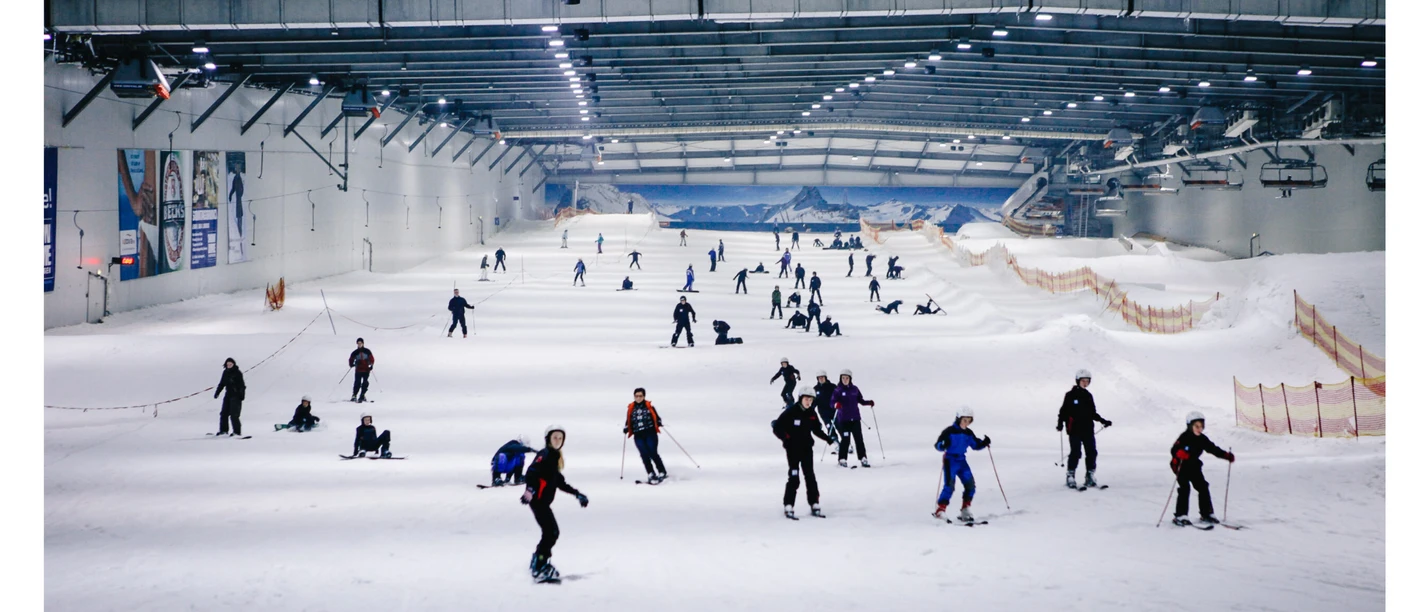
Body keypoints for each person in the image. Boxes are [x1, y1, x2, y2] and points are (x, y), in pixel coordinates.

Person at [521, 425, 589, 582]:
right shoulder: (545, 455)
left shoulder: (554, 456)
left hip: (542, 501)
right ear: (548, 439)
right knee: (551, 533)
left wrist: (577, 494)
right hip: (538, 501)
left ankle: (538, 561)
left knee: (551, 532)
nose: (557, 440)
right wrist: (530, 490)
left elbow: (559, 481)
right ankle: (539, 565)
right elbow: (532, 472)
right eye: (554, 437)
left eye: (560, 438)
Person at [772, 384, 834, 519]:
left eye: (811, 400)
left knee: (810, 476)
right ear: (800, 398)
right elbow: (777, 427)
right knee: (794, 477)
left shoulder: (812, 413)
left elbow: (817, 429)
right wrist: (786, 438)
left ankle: (814, 504)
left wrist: (828, 439)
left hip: (807, 449)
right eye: (806, 399)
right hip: (793, 450)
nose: (808, 402)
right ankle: (788, 505)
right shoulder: (791, 411)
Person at [1170, 411, 1234, 526]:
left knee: (1203, 487)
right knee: (1185, 488)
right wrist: (1179, 453)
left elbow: (1213, 449)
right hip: (1181, 466)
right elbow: (1174, 449)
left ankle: (1207, 513)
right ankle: (1181, 515)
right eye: (1196, 426)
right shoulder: (1184, 437)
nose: (1199, 429)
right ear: (1190, 426)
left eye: (1201, 426)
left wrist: (1226, 455)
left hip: (1194, 466)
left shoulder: (1202, 439)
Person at [1057, 369, 1112, 489]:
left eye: (1087, 381)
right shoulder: (1070, 395)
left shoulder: (1088, 396)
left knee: (1092, 452)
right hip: (1074, 430)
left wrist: (1103, 421)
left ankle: (1090, 475)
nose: (1085, 383)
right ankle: (1070, 475)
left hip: (1088, 429)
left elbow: (1093, 413)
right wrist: (1060, 423)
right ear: (1078, 381)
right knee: (1076, 452)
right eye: (1083, 381)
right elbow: (1063, 411)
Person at [934, 407, 990, 522]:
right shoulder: (949, 431)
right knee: (949, 486)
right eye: (964, 420)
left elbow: (975, 444)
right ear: (959, 419)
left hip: (962, 461)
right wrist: (944, 444)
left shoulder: (968, 433)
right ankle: (940, 510)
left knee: (970, 486)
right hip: (950, 461)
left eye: (969, 420)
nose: (966, 423)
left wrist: (984, 443)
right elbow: (938, 445)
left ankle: (965, 509)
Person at [623, 388, 668, 483]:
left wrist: (659, 422)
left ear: (644, 396)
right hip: (638, 435)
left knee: (653, 452)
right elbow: (628, 422)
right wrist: (626, 428)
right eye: (636, 396)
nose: (638, 398)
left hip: (650, 433)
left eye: (640, 396)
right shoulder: (631, 409)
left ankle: (662, 471)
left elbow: (657, 417)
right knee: (644, 454)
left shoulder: (649, 407)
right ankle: (650, 473)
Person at [832, 369, 873, 467]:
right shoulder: (838, 390)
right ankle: (842, 459)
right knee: (845, 439)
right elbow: (832, 402)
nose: (845, 380)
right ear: (840, 379)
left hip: (855, 419)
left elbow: (860, 400)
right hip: (844, 419)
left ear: (850, 379)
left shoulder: (855, 389)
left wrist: (869, 402)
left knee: (859, 439)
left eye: (847, 378)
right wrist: (836, 404)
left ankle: (863, 458)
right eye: (843, 378)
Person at [214, 357, 246, 436]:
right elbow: (222, 384)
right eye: (227, 364)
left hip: (236, 396)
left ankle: (237, 432)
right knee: (224, 413)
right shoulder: (225, 372)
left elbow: (242, 385)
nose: (229, 365)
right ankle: (223, 430)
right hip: (228, 395)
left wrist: (241, 395)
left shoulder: (238, 373)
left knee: (234, 414)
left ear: (233, 364)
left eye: (230, 364)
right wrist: (217, 392)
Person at [813, 371, 838, 441]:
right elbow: (813, 401)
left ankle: (846, 444)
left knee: (839, 426)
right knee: (829, 426)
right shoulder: (815, 389)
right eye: (819, 378)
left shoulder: (832, 386)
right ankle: (835, 442)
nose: (821, 379)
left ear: (825, 378)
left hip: (834, 410)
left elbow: (839, 396)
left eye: (822, 377)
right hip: (823, 412)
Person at [348, 338, 375, 403]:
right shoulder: (355, 352)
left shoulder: (367, 351)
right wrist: (351, 364)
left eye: (360, 343)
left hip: (366, 370)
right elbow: (351, 359)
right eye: (358, 343)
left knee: (365, 383)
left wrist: (371, 365)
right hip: (358, 370)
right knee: (357, 382)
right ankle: (354, 395)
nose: (359, 344)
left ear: (363, 343)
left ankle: (362, 395)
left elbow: (372, 359)